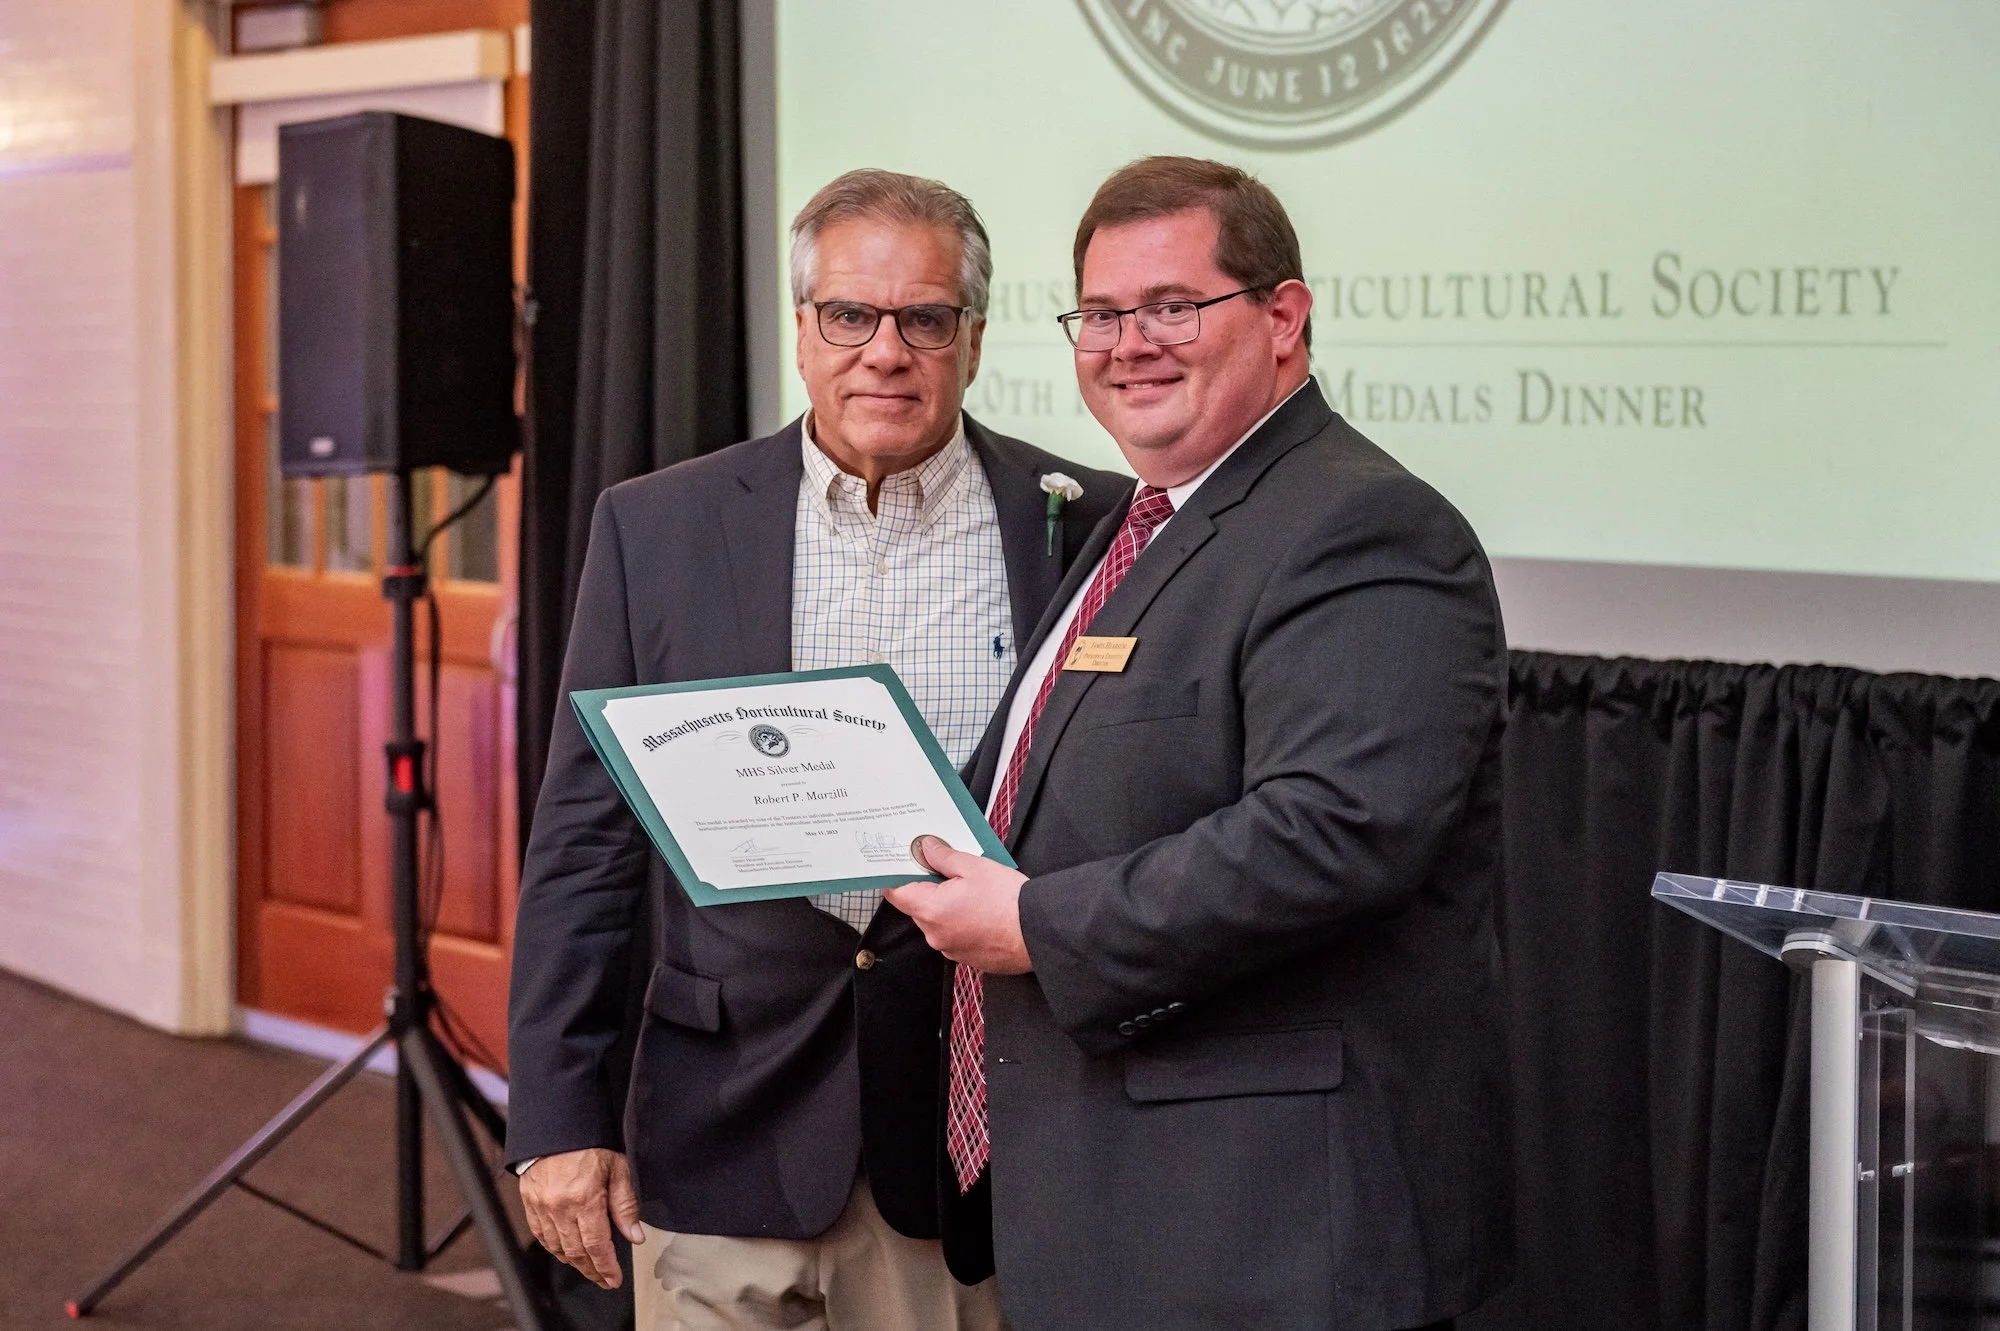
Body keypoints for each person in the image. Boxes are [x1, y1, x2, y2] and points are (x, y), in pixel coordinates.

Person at [886, 156, 1514, 1330]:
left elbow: (1335, 832)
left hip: (1263, 1239)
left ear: (1283, 317)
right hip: (1120, 1213)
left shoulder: (1362, 524)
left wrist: (1033, 923)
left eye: (1172, 306)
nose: (1129, 343)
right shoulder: (1142, 522)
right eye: (1102, 314)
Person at [508, 167, 1124, 1329]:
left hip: (965, 1144)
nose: (884, 351)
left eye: (923, 319)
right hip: (714, 1125)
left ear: (973, 339)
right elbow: (584, 842)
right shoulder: (659, 525)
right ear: (800, 329)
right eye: (849, 314)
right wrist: (557, 1117)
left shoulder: (1084, 523)